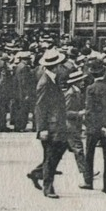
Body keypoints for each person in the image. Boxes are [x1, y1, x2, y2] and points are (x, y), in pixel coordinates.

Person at [31, 49, 69, 197]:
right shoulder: (45, 82)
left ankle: (37, 173)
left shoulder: (51, 79)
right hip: (51, 126)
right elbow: (40, 107)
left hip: (57, 124)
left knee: (57, 152)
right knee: (51, 156)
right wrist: (42, 129)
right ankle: (48, 187)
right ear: (57, 66)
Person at [82, 58, 106, 194]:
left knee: (89, 154)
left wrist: (92, 125)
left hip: (94, 127)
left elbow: (90, 110)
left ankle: (88, 181)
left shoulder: (90, 89)